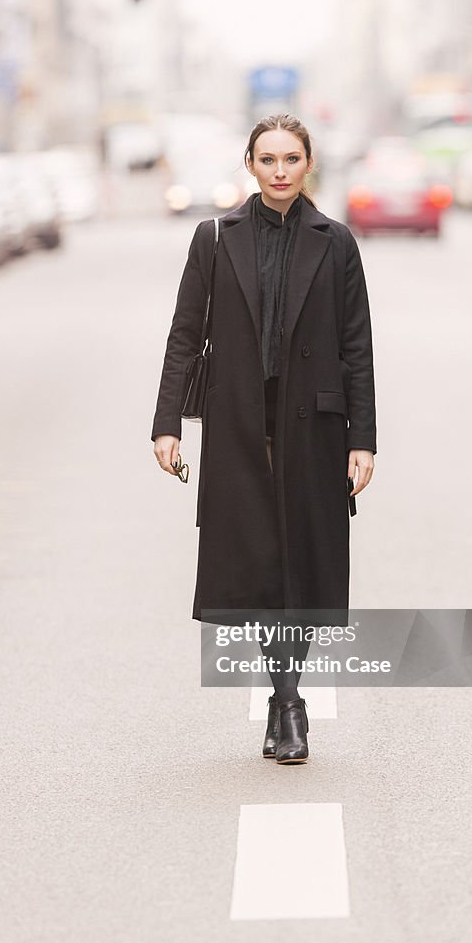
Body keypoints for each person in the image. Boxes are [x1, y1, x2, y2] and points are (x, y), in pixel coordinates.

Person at [150, 114, 376, 764]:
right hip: (239, 430)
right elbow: (185, 335)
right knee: (256, 569)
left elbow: (355, 348)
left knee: (300, 569)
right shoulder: (215, 239)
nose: (279, 171)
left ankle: (287, 699)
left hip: (314, 429)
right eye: (268, 159)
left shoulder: (335, 243)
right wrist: (167, 424)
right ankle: (284, 695)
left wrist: (362, 437)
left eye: (291, 159)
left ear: (308, 165)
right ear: (250, 164)